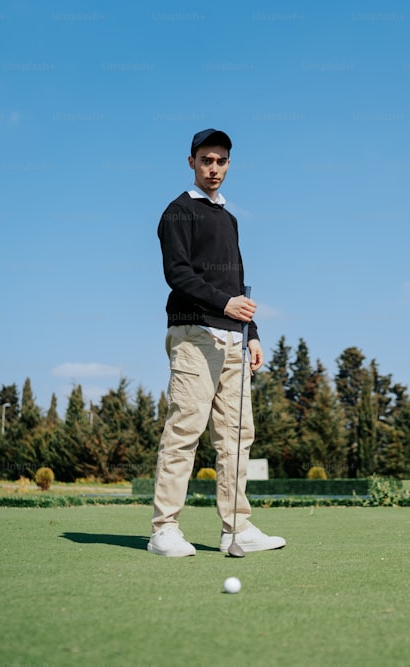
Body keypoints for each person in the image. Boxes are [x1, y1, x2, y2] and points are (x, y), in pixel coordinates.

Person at [148, 128, 286, 557]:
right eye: (206, 160)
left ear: (229, 164)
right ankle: (164, 530)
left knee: (236, 436)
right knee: (185, 430)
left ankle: (236, 528)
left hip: (232, 339)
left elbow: (237, 282)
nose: (214, 169)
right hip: (194, 334)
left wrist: (253, 332)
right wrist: (225, 304)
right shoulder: (178, 212)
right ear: (191, 162)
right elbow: (178, 274)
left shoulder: (229, 218)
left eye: (221, 161)